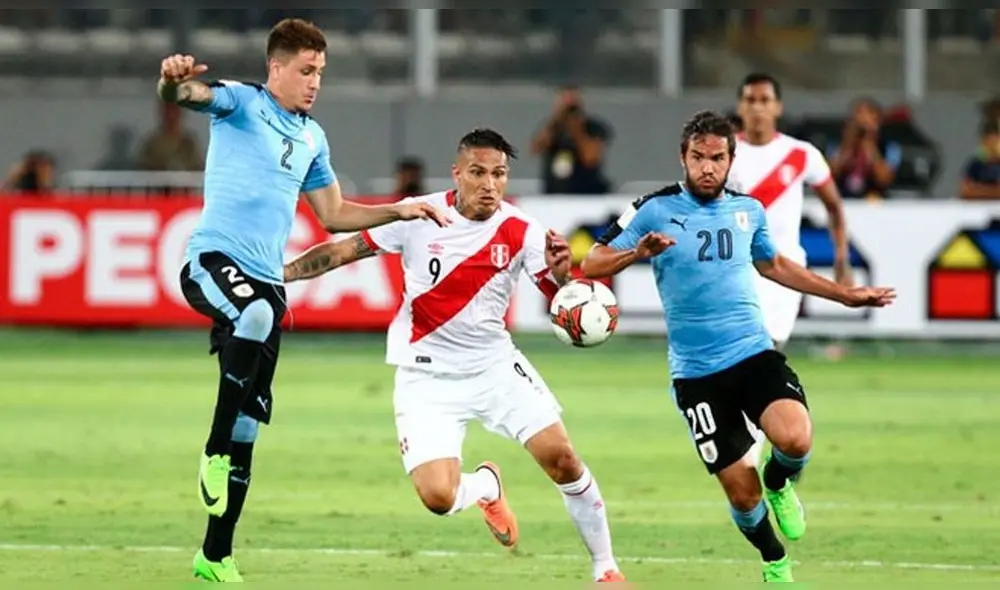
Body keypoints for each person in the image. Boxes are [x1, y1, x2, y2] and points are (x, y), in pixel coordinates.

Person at [157, 18, 448, 582]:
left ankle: (214, 555)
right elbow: (186, 95)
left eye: (321, 72)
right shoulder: (241, 103)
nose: (315, 82)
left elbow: (333, 214)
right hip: (213, 261)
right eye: (306, 70)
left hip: (266, 280)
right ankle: (213, 451)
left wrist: (399, 209)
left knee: (250, 424)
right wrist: (170, 81)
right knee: (257, 314)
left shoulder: (312, 137)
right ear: (276, 68)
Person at [284, 128, 626, 583]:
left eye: (499, 174)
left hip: (494, 367)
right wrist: (280, 273)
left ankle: (606, 569)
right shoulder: (419, 214)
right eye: (478, 173)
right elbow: (343, 250)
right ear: (457, 174)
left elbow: (561, 303)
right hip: (425, 375)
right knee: (438, 498)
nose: (490, 185)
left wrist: (564, 277)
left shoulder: (522, 230)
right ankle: (485, 486)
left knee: (563, 459)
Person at [581, 111, 895, 582]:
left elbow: (775, 266)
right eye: (698, 157)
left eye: (717, 158)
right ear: (683, 157)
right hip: (696, 375)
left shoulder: (749, 210)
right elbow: (592, 261)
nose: (707, 167)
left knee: (796, 439)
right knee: (742, 495)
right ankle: (775, 561)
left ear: (731, 160)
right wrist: (636, 253)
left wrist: (843, 294)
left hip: (752, 353)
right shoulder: (653, 209)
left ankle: (779, 481)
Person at [727, 72, 853, 467]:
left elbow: (834, 206)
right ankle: (753, 445)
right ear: (740, 106)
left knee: (764, 353)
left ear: (778, 107)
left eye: (765, 100)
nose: (757, 107)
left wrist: (841, 257)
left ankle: (755, 447)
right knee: (742, 357)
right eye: (750, 99)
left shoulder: (802, 154)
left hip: (784, 272)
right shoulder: (725, 153)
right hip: (736, 271)